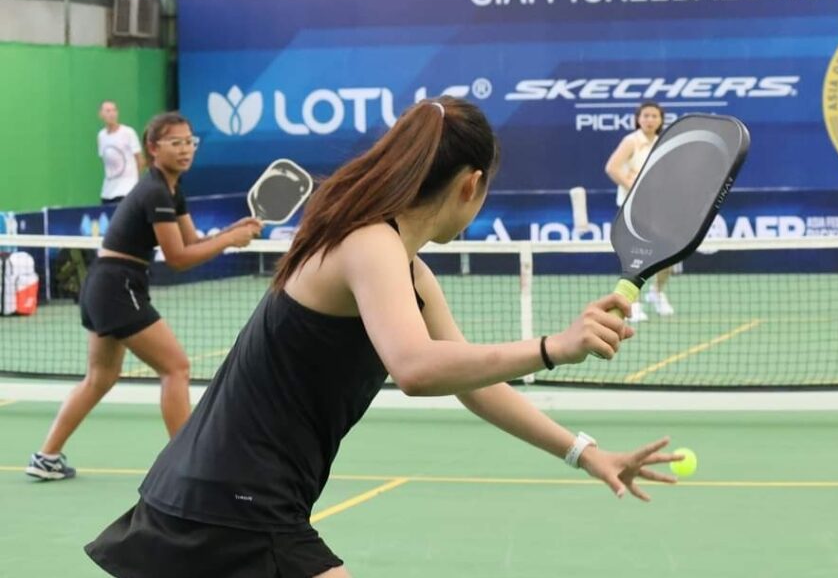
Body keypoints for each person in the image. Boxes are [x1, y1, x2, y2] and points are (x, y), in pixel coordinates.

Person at [84, 97, 681, 578]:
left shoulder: (402, 264)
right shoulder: (370, 244)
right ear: (470, 185)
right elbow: (416, 369)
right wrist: (555, 346)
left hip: (215, 491)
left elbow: (474, 384)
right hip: (237, 502)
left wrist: (586, 453)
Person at [27, 112, 262, 481]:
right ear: (153, 148)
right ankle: (186, 462)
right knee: (176, 367)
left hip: (105, 285)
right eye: (176, 143)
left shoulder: (171, 188)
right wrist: (229, 241)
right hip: (117, 286)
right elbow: (179, 258)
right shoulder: (155, 192)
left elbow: (194, 242)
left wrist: (232, 231)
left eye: (190, 142)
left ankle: (46, 456)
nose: (185, 150)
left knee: (100, 378)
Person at [605, 101, 675, 321]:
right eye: (645, 116)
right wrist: (633, 188)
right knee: (636, 256)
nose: (650, 120)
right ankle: (632, 304)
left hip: (659, 209)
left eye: (654, 116)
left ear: (661, 120)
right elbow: (612, 167)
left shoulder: (663, 142)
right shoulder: (631, 141)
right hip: (632, 209)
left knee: (669, 253)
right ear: (638, 119)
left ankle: (656, 293)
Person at [97, 100, 145, 205]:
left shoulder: (128, 132)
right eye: (108, 111)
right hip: (108, 192)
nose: (112, 114)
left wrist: (135, 184)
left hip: (127, 190)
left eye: (114, 110)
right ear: (101, 114)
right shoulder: (101, 136)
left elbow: (140, 160)